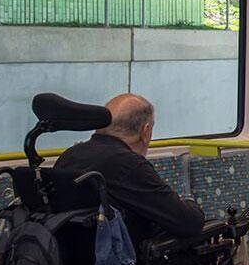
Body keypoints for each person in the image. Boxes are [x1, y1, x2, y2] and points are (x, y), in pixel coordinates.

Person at [54, 93, 206, 241]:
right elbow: (188, 223)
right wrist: (190, 202)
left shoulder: (70, 155)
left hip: (71, 258)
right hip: (125, 259)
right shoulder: (129, 165)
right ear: (145, 131)